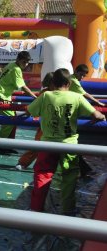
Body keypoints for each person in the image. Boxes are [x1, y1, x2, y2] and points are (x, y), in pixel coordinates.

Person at [27, 68, 105, 215]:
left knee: (42, 175)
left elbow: (30, 111)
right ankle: (67, 209)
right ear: (68, 83)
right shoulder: (76, 97)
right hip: (69, 144)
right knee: (69, 178)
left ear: (53, 82)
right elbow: (97, 114)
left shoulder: (46, 96)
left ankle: (36, 207)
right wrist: (99, 116)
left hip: (47, 144)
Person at [0, 51, 37, 155]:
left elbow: (4, 77)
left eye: (27, 62)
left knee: (12, 121)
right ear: (18, 59)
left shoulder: (12, 64)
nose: (26, 64)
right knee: (10, 121)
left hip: (2, 95)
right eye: (24, 62)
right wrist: (35, 97)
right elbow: (24, 87)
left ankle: (7, 145)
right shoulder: (16, 69)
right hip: (1, 96)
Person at [15, 72, 54, 170]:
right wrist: (31, 112)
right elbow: (36, 106)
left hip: (51, 124)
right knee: (38, 145)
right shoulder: (46, 93)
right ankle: (23, 162)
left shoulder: (52, 93)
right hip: (46, 124)